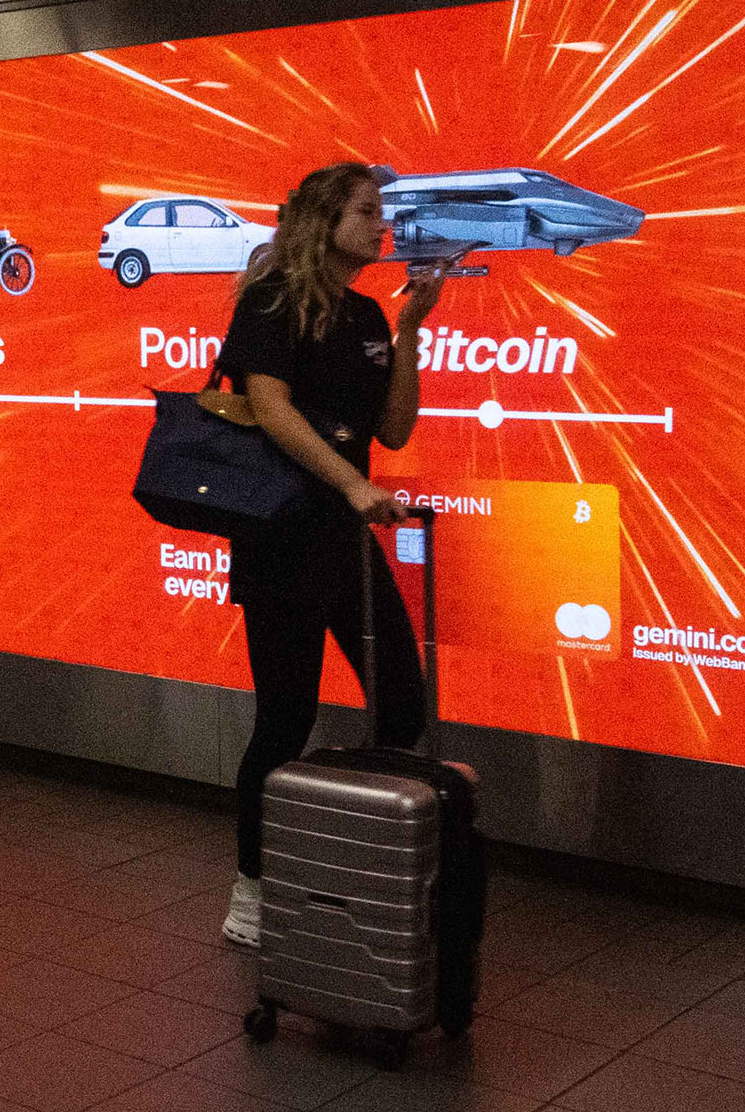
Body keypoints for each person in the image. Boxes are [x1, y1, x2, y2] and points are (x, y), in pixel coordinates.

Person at [213, 162, 445, 948]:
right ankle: (252, 887)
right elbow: (269, 406)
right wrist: (349, 483)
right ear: (325, 221)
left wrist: (411, 330)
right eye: (366, 211)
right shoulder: (272, 298)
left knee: (403, 702)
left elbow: (394, 430)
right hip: (280, 535)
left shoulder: (369, 314)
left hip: (343, 537)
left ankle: (340, 840)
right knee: (285, 719)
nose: (382, 226)